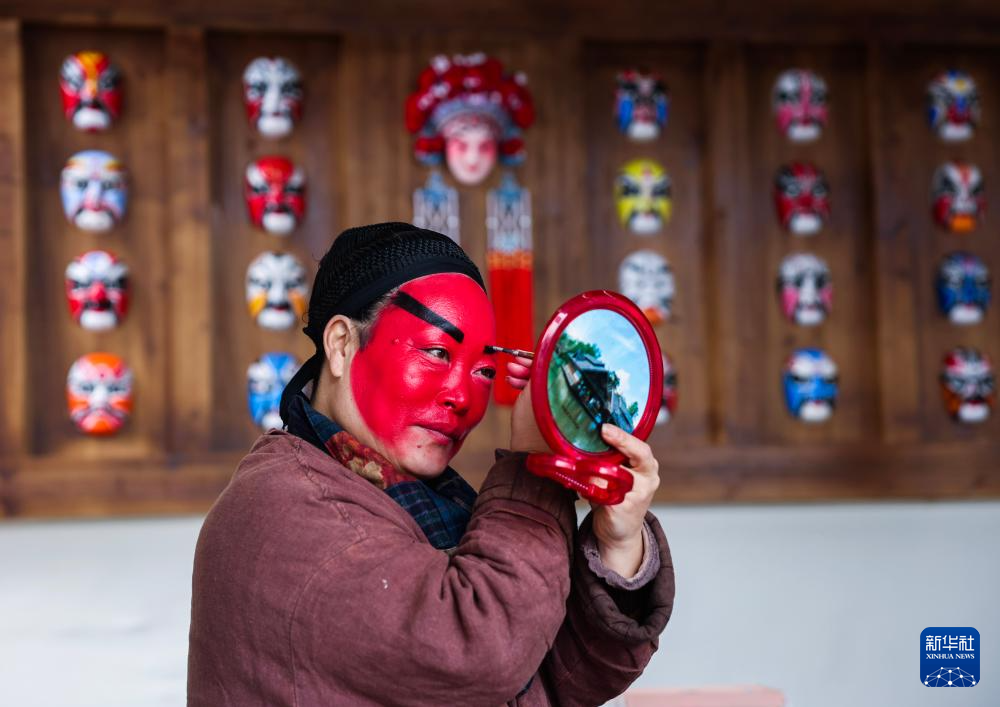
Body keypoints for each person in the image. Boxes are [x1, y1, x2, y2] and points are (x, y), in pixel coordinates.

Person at [187, 222, 675, 706]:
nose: (462, 396)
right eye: (438, 352)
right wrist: (531, 468)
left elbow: (552, 676)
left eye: (483, 371)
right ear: (341, 344)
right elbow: (484, 653)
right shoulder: (281, 511)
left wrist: (617, 543)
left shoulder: (419, 497)